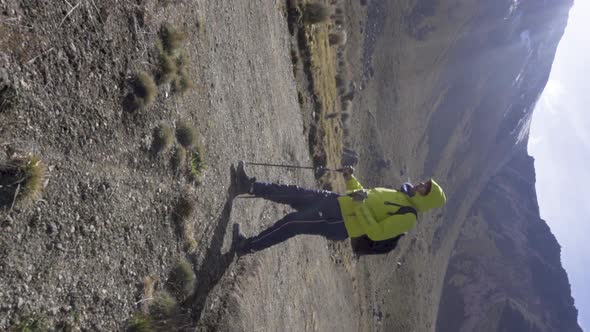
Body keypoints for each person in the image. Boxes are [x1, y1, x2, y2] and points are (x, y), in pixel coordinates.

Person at [231, 161, 446, 255]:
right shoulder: (401, 195)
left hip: (340, 222)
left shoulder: (408, 218)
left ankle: (247, 246)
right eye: (424, 183)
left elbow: (376, 233)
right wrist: (350, 178)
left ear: (426, 200)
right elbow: (364, 194)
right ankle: (248, 186)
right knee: (294, 192)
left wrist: (361, 205)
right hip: (337, 203)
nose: (420, 185)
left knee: (292, 223)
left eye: (425, 189)